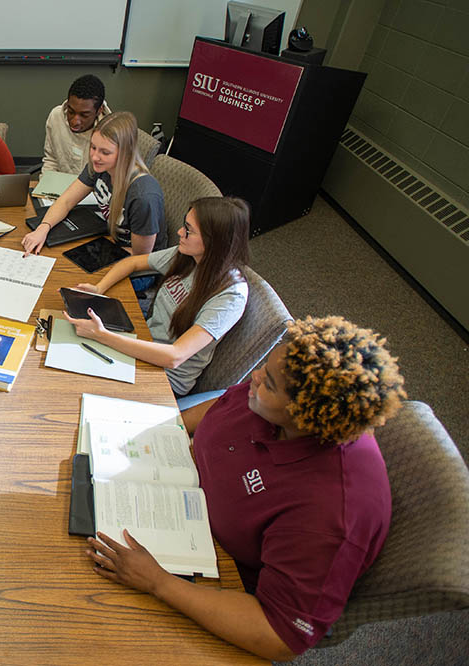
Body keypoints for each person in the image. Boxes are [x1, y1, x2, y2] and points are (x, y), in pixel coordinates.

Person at [85, 316, 406, 660]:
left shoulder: (331, 514)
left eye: (268, 382)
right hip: (178, 493)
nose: (253, 378)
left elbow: (279, 636)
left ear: (305, 414)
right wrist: (161, 431)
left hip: (219, 575)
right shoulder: (274, 393)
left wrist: (158, 583)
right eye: (265, 367)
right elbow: (221, 410)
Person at [60, 196, 250, 397]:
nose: (179, 232)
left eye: (189, 229)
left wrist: (102, 335)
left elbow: (174, 357)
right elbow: (132, 263)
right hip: (144, 343)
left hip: (165, 377)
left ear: (214, 241)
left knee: (74, 386)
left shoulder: (230, 295)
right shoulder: (188, 256)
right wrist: (99, 288)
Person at [23, 112, 165, 288]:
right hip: (110, 241)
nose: (95, 157)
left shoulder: (143, 196)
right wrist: (43, 228)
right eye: (93, 147)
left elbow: (140, 256)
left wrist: (95, 259)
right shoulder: (99, 166)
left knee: (66, 280)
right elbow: (67, 200)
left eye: (105, 152)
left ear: (125, 153)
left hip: (139, 267)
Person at [42, 74, 111, 175]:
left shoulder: (111, 132)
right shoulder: (56, 117)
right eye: (71, 112)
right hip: (58, 185)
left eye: (84, 115)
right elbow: (51, 160)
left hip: (92, 188)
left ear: (99, 110)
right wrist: (45, 185)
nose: (75, 121)